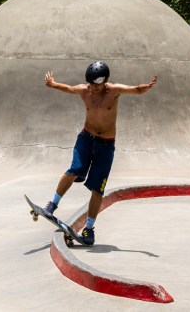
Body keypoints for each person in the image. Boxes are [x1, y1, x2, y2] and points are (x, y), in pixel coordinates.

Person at [41, 61, 158, 245]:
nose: (93, 88)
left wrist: (146, 87)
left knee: (98, 189)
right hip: (86, 139)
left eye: (96, 85)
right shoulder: (84, 90)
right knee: (75, 169)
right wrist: (53, 84)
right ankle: (52, 205)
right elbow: (69, 89)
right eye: (90, 84)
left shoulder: (113, 91)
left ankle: (89, 230)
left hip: (106, 146)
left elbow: (134, 89)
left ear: (104, 81)